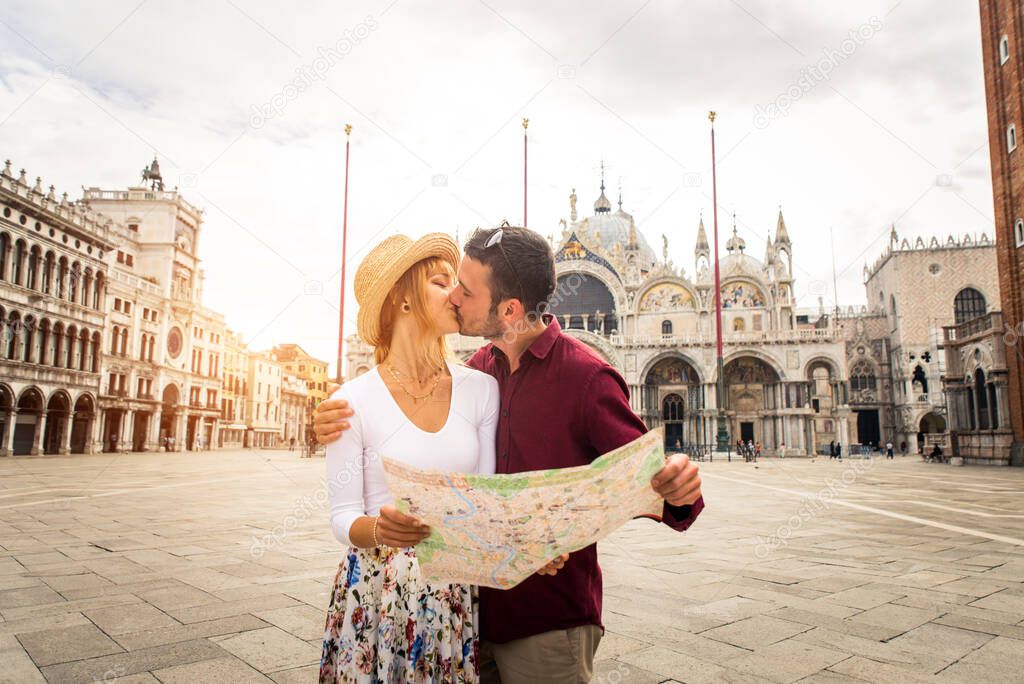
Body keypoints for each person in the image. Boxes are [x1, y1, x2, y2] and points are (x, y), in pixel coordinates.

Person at [315, 225, 704, 683]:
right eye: (448, 283)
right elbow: (478, 497)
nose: (456, 296)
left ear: (509, 309)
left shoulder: (584, 377)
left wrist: (676, 487)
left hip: (544, 616)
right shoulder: (482, 371)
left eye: (464, 288)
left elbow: (644, 477)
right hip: (468, 612)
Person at [319, 233, 503, 682]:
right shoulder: (351, 400)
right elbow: (342, 517)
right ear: (402, 299)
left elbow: (487, 499)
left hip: (451, 592)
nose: (457, 294)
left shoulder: (481, 389)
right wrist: (380, 529)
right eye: (442, 283)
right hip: (375, 594)